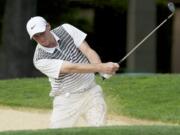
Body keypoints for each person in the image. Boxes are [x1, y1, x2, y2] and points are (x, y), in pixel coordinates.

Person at [26, 16, 119, 128]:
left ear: (48, 26)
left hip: (91, 92)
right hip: (67, 99)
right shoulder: (39, 59)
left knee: (99, 129)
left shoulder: (66, 29)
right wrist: (102, 68)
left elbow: (88, 51)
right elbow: (72, 68)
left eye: (41, 33)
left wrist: (103, 71)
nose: (40, 38)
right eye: (36, 36)